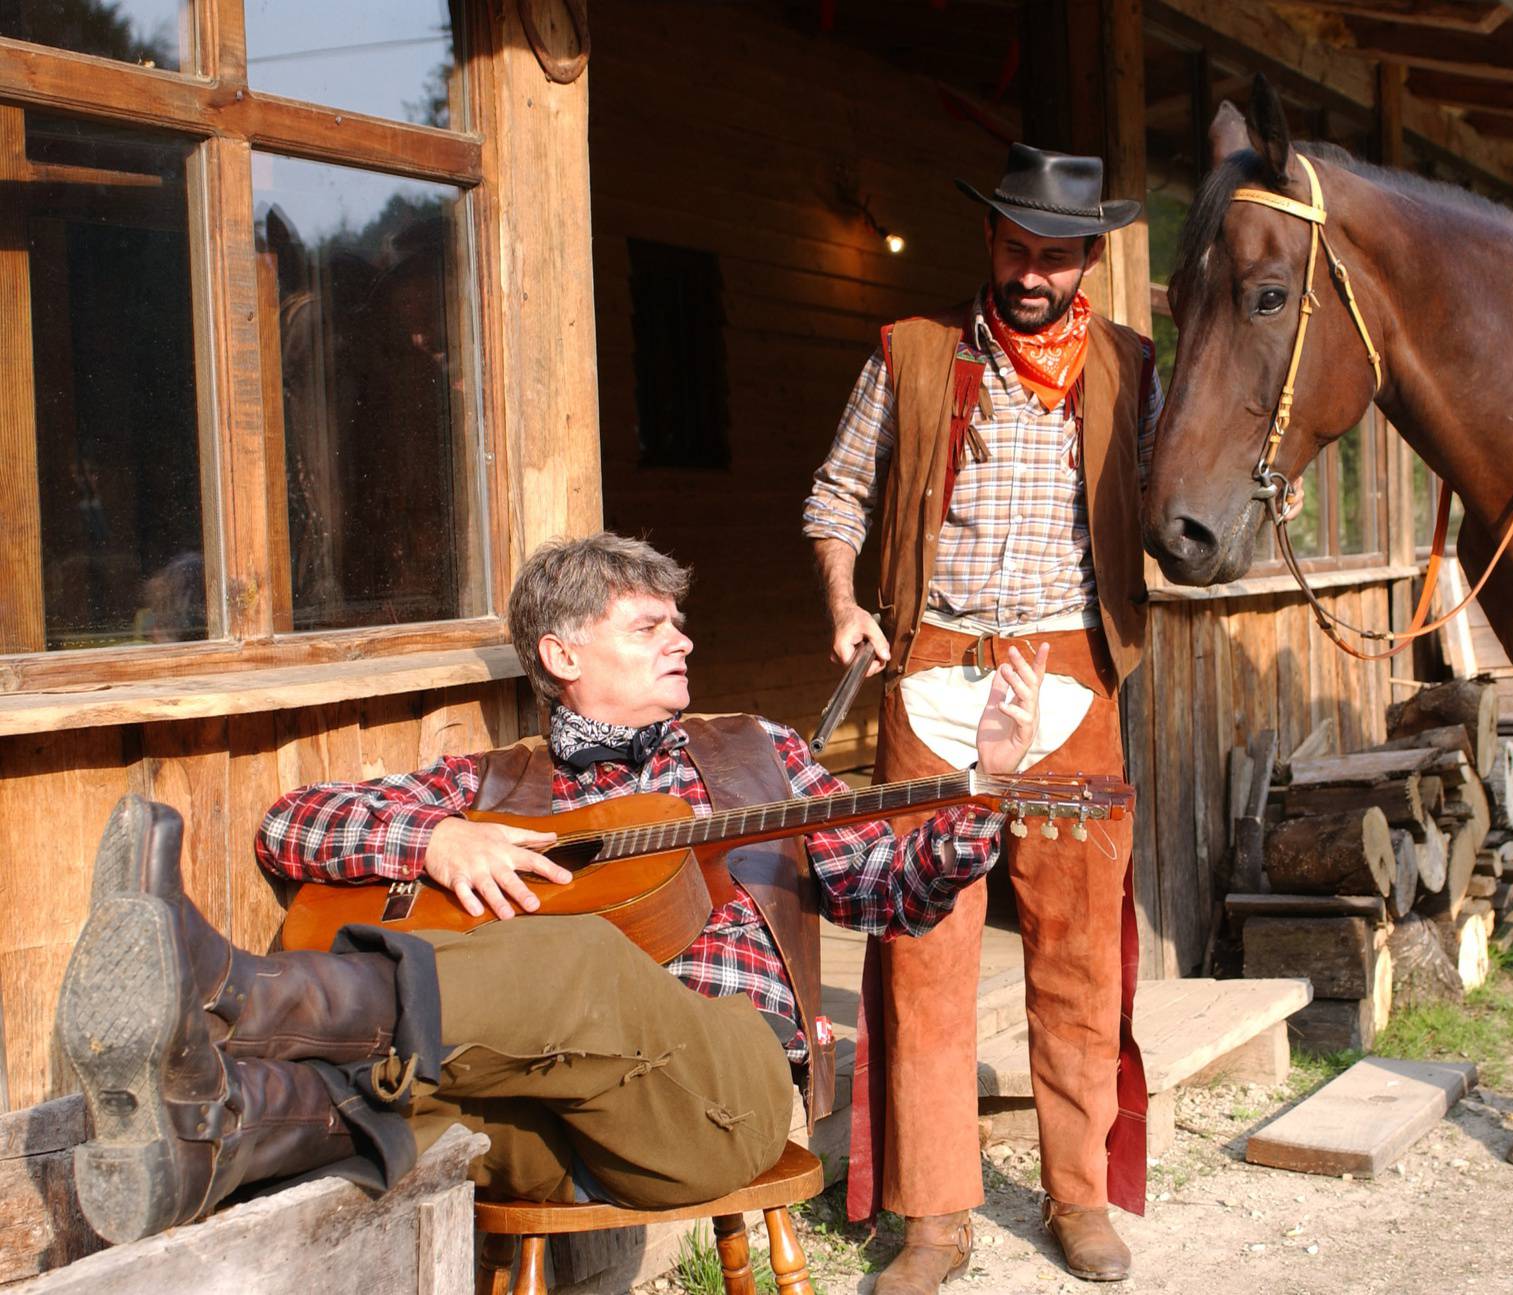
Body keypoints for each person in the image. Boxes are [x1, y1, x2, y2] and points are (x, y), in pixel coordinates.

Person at [55, 531, 1048, 1244]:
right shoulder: (493, 784)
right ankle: (206, 1134)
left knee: (574, 956)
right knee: (391, 1101)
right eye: (650, 625)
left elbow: (891, 886)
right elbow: (292, 821)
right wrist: (436, 836)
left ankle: (228, 991)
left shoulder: (758, 754)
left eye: (680, 624)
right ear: (563, 655)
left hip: (717, 1098)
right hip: (536, 1122)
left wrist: (986, 792)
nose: (683, 642)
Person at [804, 142, 1162, 1289]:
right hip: (934, 670)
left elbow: (1187, 492)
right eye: (1016, 248)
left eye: (1055, 256)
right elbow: (834, 494)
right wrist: (845, 603)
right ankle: (935, 1217)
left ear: (1088, 260)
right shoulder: (913, 355)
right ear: (992, 244)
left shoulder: (1132, 368)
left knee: (1073, 950)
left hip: (1070, 676)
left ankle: (1076, 1195)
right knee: (924, 953)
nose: (1031, 273)